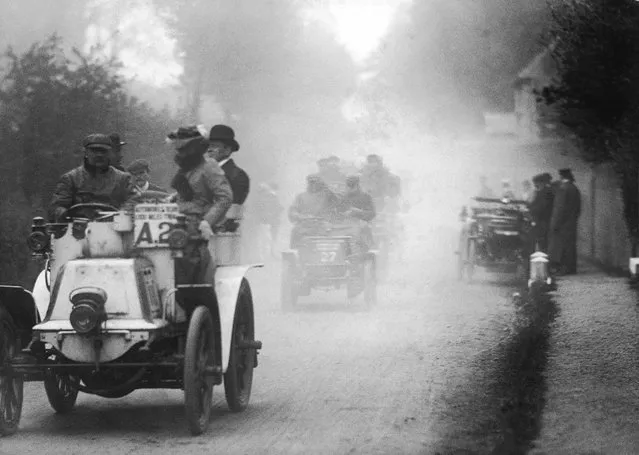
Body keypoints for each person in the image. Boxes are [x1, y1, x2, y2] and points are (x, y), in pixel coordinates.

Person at [167, 126, 233, 284]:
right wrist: (173, 198)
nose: (180, 153)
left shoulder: (208, 166)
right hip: (177, 221)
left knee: (187, 257)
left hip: (196, 223)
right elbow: (192, 192)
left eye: (183, 149)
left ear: (195, 148)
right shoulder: (186, 168)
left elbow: (225, 197)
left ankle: (186, 289)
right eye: (178, 149)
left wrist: (207, 222)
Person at [49, 133, 136, 221]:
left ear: (109, 153)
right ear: (86, 153)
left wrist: (123, 213)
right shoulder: (70, 179)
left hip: (116, 228)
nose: (99, 155)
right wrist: (64, 213)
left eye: (103, 151)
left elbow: (133, 202)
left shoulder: (123, 179)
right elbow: (57, 206)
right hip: (78, 229)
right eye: (94, 151)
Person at [288, 174, 339, 248]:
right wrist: (300, 216)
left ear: (320, 183)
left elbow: (338, 202)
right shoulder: (301, 196)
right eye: (311, 182)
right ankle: (296, 253)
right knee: (296, 231)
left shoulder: (327, 194)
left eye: (315, 182)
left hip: (323, 224)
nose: (313, 185)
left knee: (332, 232)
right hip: (305, 224)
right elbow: (293, 210)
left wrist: (327, 189)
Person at [549, 168, 581, 275]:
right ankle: (572, 268)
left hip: (563, 224)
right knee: (571, 246)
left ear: (561, 177)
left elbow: (559, 208)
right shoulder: (574, 188)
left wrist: (555, 224)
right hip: (571, 223)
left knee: (562, 247)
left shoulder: (563, 189)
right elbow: (578, 208)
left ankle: (564, 269)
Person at [206, 124, 249, 205]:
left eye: (214, 146)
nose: (209, 150)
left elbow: (232, 211)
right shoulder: (204, 171)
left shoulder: (237, 175)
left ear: (227, 150)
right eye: (208, 146)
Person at [528, 173, 554, 253]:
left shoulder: (546, 192)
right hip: (541, 220)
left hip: (543, 220)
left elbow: (542, 206)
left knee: (542, 241)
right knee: (540, 241)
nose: (535, 185)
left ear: (541, 183)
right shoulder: (542, 191)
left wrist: (531, 209)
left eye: (536, 183)